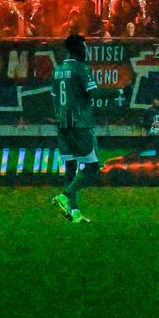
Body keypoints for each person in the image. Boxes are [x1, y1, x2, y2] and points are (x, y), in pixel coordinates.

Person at [51, 33, 101, 223]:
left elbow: (54, 96)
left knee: (70, 167)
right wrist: (121, 91)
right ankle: (65, 196)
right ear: (76, 48)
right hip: (80, 123)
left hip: (62, 123)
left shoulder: (58, 70)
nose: (86, 50)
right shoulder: (81, 68)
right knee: (92, 166)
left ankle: (74, 213)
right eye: (84, 47)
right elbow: (94, 93)